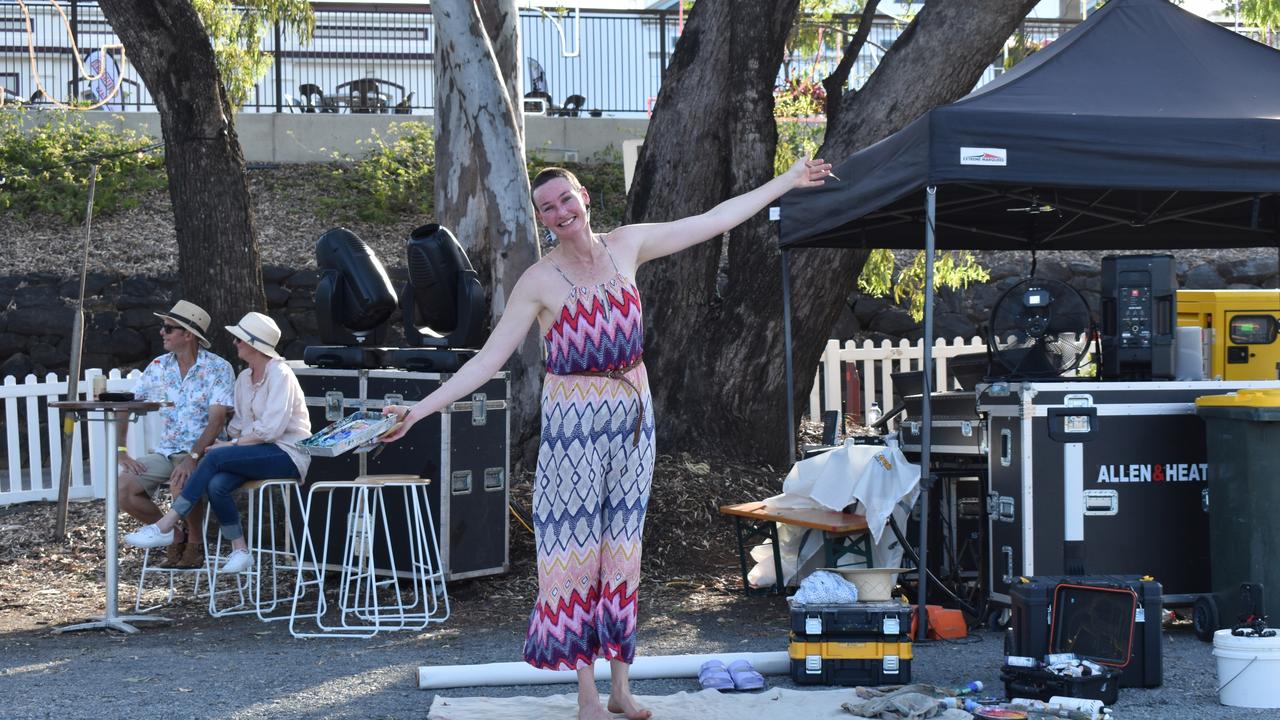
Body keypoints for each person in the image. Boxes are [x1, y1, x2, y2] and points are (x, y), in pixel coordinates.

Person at [379, 157, 833, 720]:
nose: (560, 212)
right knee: (572, 555)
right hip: (574, 429)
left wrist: (787, 181)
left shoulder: (628, 245)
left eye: (565, 200)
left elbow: (715, 219)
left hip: (633, 419)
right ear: (542, 218)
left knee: (623, 550)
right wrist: (419, 410)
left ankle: (620, 689)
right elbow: (487, 362)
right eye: (547, 208)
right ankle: (587, 698)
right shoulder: (539, 280)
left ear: (584, 196)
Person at [124, 312, 312, 575]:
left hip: (287, 453)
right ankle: (240, 550)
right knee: (216, 484)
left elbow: (271, 430)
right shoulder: (245, 378)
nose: (235, 343)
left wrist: (231, 445)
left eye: (239, 340)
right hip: (255, 450)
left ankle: (165, 525)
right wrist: (233, 441)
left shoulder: (280, 373)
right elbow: (237, 426)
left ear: (254, 344)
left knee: (213, 457)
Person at [117, 301, 233, 569]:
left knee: (181, 481)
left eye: (169, 328)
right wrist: (122, 451)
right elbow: (127, 405)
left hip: (205, 450)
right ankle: (173, 534)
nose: (162, 333)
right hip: (166, 449)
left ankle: (195, 543)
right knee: (124, 488)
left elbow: (217, 421)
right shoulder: (158, 366)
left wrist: (192, 457)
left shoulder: (218, 368)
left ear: (188, 335)